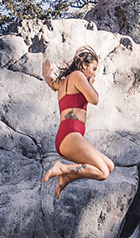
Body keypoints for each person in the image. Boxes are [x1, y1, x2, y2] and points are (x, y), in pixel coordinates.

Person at [42, 46, 114, 198]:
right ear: (83, 66)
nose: (94, 73)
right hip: (70, 134)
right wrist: (91, 83)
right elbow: (94, 99)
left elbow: (52, 83)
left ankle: (68, 176)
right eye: (93, 68)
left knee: (109, 165)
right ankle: (61, 168)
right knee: (103, 172)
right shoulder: (77, 75)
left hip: (67, 137)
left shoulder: (62, 83)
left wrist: (46, 75)